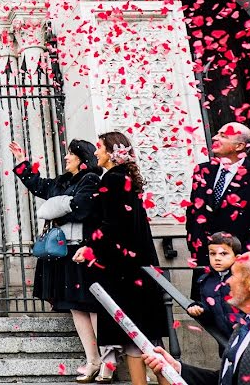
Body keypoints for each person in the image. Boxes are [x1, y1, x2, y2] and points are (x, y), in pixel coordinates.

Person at [73, 132, 168, 385]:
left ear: (113, 152)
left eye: (100, 148)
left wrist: (89, 248)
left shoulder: (114, 180)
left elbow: (113, 224)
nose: (95, 152)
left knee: (134, 338)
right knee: (145, 341)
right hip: (134, 267)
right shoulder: (124, 179)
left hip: (125, 272)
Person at [9, 139, 104, 383]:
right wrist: (22, 161)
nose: (66, 158)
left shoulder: (91, 179)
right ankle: (92, 359)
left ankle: (105, 359)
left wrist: (55, 207)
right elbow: (39, 186)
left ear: (82, 158)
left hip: (83, 251)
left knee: (92, 306)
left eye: (70, 154)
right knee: (75, 306)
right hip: (64, 254)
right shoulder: (63, 182)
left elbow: (83, 207)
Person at [144, 251, 250, 385]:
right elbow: (227, 378)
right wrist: (178, 369)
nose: (227, 282)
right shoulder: (246, 325)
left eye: (233, 275)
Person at [186, 122, 250, 269]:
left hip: (242, 263)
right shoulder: (202, 171)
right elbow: (193, 212)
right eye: (217, 133)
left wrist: (244, 254)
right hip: (205, 260)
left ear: (239, 146)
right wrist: (195, 246)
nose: (215, 138)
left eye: (223, 136)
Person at [186, 232, 243, 354]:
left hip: (248, 339)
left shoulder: (244, 279)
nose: (217, 258)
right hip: (225, 344)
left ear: (237, 258)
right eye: (213, 254)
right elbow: (209, 314)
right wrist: (199, 310)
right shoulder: (205, 282)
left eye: (224, 253)